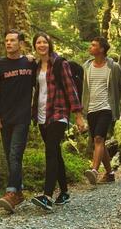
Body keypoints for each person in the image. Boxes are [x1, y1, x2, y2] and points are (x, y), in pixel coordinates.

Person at [30, 32, 84, 211]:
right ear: (35, 46)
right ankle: (65, 192)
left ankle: (47, 195)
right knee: (55, 152)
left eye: (44, 42)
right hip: (42, 115)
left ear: (49, 44)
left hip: (59, 113)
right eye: (38, 42)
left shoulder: (61, 64)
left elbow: (71, 89)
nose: (41, 45)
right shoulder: (36, 66)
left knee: (50, 150)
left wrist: (77, 114)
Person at [0, 29, 34, 213]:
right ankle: (20, 191)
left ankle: (11, 192)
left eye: (13, 40)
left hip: (23, 117)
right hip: (5, 118)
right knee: (10, 156)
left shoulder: (30, 63)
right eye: (6, 40)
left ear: (20, 43)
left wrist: (33, 57)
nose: (9, 43)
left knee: (15, 154)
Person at [82, 36, 121, 185]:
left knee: (98, 139)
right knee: (98, 142)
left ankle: (94, 170)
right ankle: (110, 173)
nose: (90, 47)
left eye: (93, 45)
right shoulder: (86, 67)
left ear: (101, 49)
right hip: (91, 109)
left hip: (106, 107)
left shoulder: (113, 67)